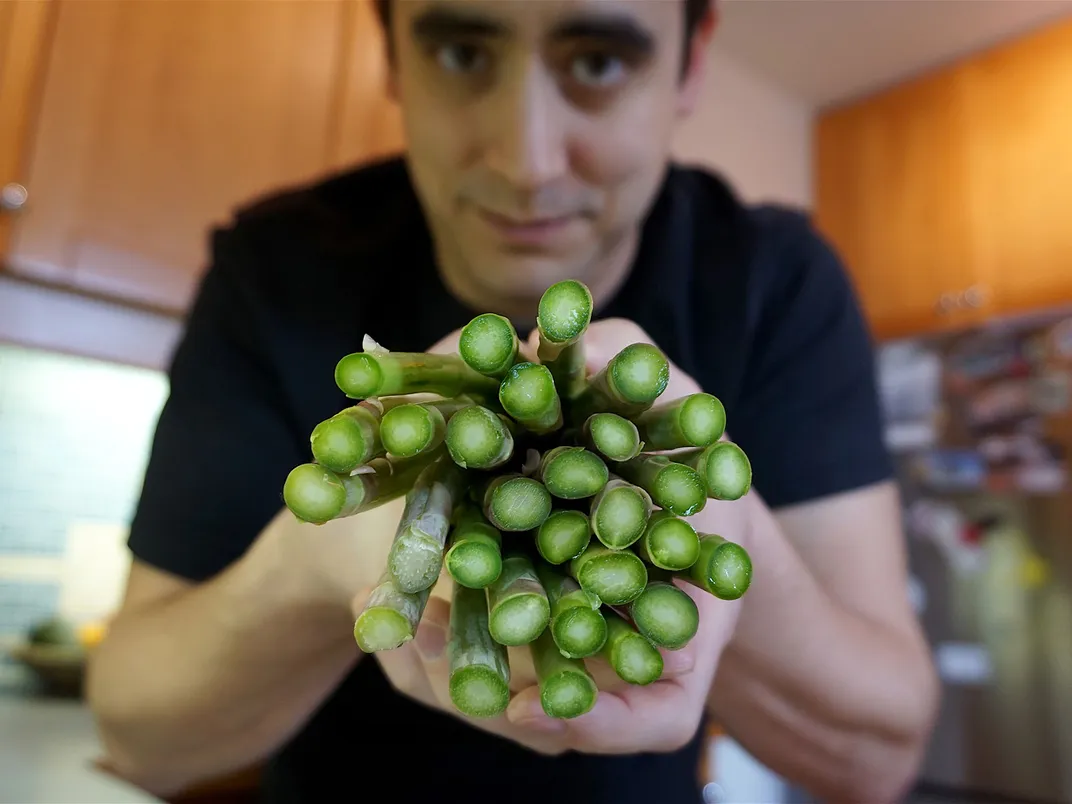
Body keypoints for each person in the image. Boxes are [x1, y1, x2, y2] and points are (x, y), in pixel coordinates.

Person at [86, 1, 940, 802]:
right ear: (392, 55)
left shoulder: (776, 284)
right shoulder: (274, 271)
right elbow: (142, 735)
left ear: (691, 62)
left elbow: (878, 759)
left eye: (599, 61)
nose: (526, 164)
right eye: (462, 52)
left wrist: (737, 538)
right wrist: (316, 560)